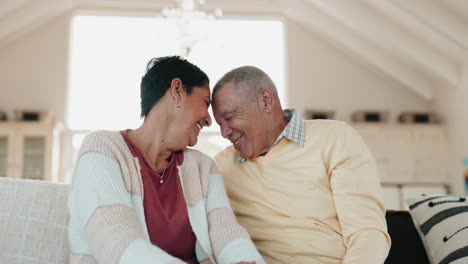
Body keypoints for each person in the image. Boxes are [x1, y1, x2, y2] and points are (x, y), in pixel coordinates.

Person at [67, 56, 264, 264]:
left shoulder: (203, 167)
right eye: (205, 102)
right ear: (177, 90)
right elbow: (117, 245)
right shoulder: (103, 148)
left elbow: (227, 235)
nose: (208, 120)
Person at [212, 66, 391, 264]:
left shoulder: (335, 139)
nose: (224, 133)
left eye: (229, 118)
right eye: (219, 124)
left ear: (265, 100)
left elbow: (366, 233)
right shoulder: (221, 167)